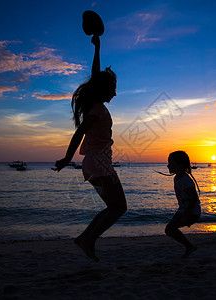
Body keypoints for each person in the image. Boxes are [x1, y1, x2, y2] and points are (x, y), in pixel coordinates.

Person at [54, 35, 127, 262]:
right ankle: (87, 239)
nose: (115, 92)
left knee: (114, 207)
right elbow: (79, 132)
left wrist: (97, 48)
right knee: (118, 207)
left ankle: (85, 239)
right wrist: (67, 158)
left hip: (96, 163)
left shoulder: (96, 105)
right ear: (104, 89)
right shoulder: (96, 110)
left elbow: (95, 76)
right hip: (98, 162)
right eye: (113, 88)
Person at [165, 150, 201, 258]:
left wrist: (186, 214)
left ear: (179, 165)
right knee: (170, 229)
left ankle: (189, 246)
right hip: (183, 210)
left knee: (170, 229)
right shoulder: (177, 178)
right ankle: (189, 246)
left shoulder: (186, 180)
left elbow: (194, 199)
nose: (168, 166)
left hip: (191, 212)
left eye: (170, 163)